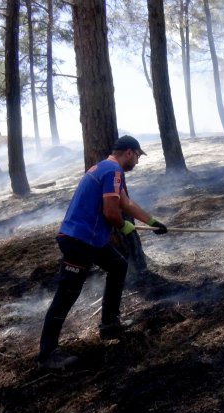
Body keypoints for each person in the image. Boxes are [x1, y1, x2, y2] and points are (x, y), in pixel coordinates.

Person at [37, 135, 168, 370]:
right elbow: (111, 212)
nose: (137, 162)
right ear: (129, 152)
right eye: (137, 156)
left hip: (91, 239)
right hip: (79, 240)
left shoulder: (107, 169)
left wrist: (152, 221)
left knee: (118, 265)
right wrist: (123, 226)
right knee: (67, 294)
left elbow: (125, 204)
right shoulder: (113, 171)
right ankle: (47, 355)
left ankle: (109, 324)